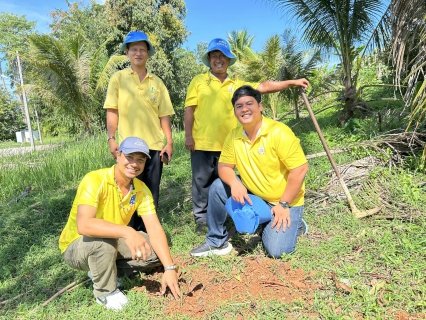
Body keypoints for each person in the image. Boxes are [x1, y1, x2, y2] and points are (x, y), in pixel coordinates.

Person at [184, 38, 309, 234]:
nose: (219, 59)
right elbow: (189, 110)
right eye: (214, 56)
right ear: (209, 59)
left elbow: (264, 86)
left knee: (228, 182)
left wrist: (292, 83)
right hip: (203, 141)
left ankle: (231, 216)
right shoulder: (198, 81)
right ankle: (201, 219)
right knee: (202, 183)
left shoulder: (238, 84)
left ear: (229, 60)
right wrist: (188, 136)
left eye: (223, 56)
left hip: (232, 143)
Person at [59, 137, 180, 311]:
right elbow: (84, 225)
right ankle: (105, 293)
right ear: (118, 155)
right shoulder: (94, 179)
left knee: (152, 251)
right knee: (104, 242)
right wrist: (127, 232)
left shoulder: (141, 189)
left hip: (111, 239)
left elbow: (154, 228)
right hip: (77, 245)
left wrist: (169, 267)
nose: (134, 164)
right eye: (129, 157)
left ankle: (101, 271)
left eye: (140, 159)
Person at [190, 86, 309, 258]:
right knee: (218, 186)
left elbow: (300, 169)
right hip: (255, 195)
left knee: (277, 251)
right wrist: (234, 183)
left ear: (260, 106)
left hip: (285, 200)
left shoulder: (279, 132)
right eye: (239, 106)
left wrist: (283, 205)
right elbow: (223, 166)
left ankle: (294, 224)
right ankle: (216, 241)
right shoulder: (234, 135)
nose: (244, 109)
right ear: (235, 111)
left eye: (249, 103)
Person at [104, 31, 174, 231]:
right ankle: (128, 234)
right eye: (134, 49)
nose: (138, 53)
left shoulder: (157, 83)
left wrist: (169, 142)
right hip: (129, 148)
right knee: (127, 191)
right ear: (127, 52)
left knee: (150, 194)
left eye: (142, 49)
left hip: (153, 147)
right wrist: (111, 138)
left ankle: (147, 235)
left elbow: (164, 116)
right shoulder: (118, 79)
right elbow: (112, 110)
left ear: (148, 53)